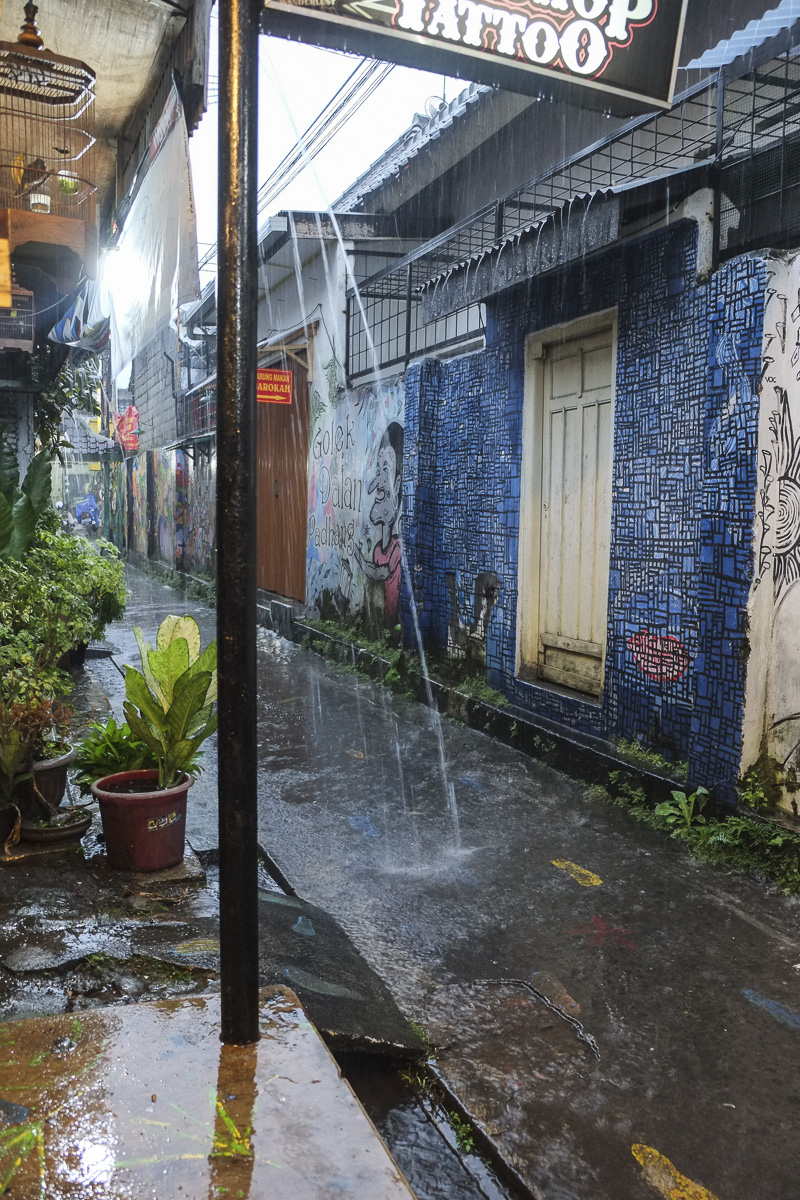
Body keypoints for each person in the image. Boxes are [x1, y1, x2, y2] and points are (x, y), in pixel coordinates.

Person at [355, 422, 404, 624]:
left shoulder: (397, 548)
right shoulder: (377, 550)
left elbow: (380, 573)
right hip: (387, 619)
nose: (380, 478)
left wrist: (361, 562)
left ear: (398, 484)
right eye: (379, 467)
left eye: (386, 468)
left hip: (397, 618)